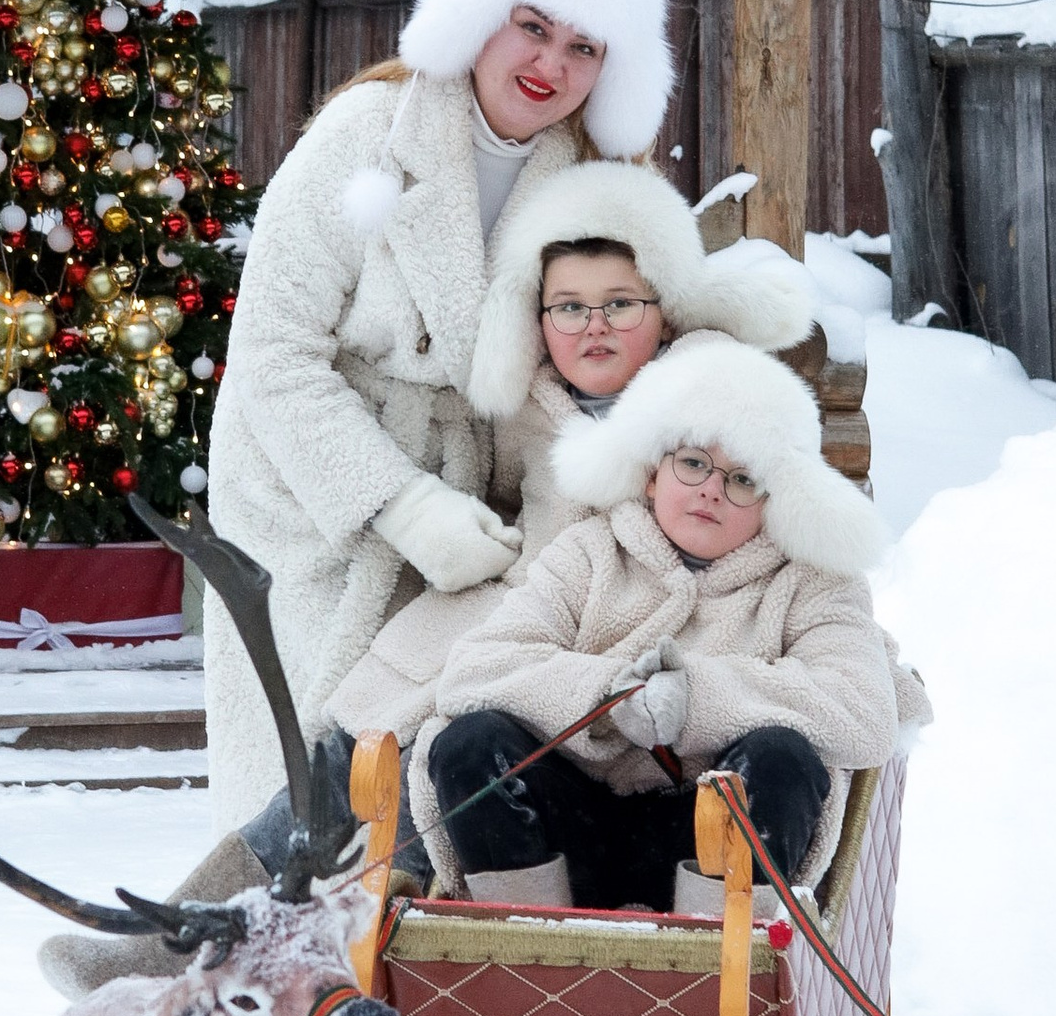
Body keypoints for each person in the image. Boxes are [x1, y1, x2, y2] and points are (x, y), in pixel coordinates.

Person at [197, 0, 674, 832]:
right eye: (533, 26)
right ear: (483, 15)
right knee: (307, 768)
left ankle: (419, 963)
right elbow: (270, 351)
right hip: (318, 493)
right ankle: (230, 936)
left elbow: (642, 335)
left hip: (486, 512)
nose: (550, 63)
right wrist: (400, 504)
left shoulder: (597, 177)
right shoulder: (366, 132)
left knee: (431, 774)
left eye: (584, 45)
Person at [324, 160, 817, 758]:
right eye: (569, 307)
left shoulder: (708, 386)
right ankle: (307, 825)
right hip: (534, 606)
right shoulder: (532, 405)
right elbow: (509, 493)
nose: (595, 328)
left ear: (665, 309)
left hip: (645, 622)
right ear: (537, 316)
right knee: (385, 709)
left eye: (621, 304)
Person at [417, 338, 905, 916]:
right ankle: (529, 942)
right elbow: (478, 668)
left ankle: (705, 958)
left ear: (775, 499)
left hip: (707, 841)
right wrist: (606, 695)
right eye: (693, 463)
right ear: (652, 474)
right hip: (567, 831)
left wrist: (698, 700)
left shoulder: (815, 582)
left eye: (743, 478)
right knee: (471, 744)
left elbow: (863, 711)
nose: (711, 490)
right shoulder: (589, 552)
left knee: (782, 757)